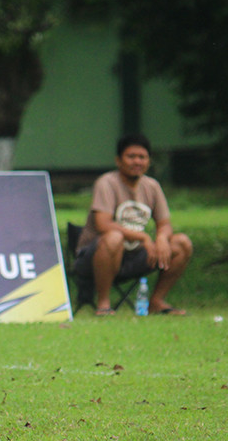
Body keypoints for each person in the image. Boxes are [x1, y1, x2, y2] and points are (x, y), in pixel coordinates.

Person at [73, 133, 193, 316]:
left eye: (142, 157)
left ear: (149, 161)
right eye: (131, 156)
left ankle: (156, 302)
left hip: (134, 256)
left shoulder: (152, 186)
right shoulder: (106, 183)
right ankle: (103, 304)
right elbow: (103, 224)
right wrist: (143, 237)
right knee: (114, 238)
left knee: (181, 243)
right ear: (118, 160)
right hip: (93, 257)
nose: (137, 161)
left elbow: (164, 224)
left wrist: (161, 239)